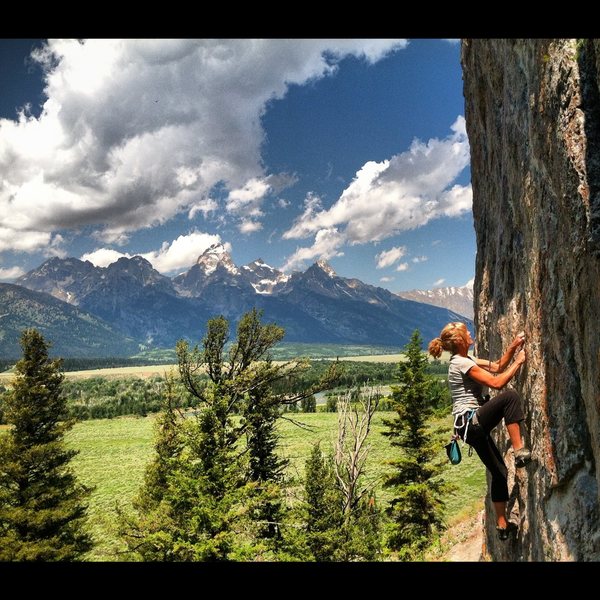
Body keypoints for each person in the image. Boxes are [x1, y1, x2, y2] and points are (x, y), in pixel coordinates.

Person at [428, 322, 532, 541]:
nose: (470, 333)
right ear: (460, 341)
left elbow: (496, 366)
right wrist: (520, 362)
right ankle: (519, 451)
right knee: (510, 397)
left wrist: (513, 347)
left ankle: (502, 525)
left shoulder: (468, 360)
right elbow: (496, 382)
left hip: (467, 427)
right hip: (471, 423)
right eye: (466, 332)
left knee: (500, 473)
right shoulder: (461, 363)